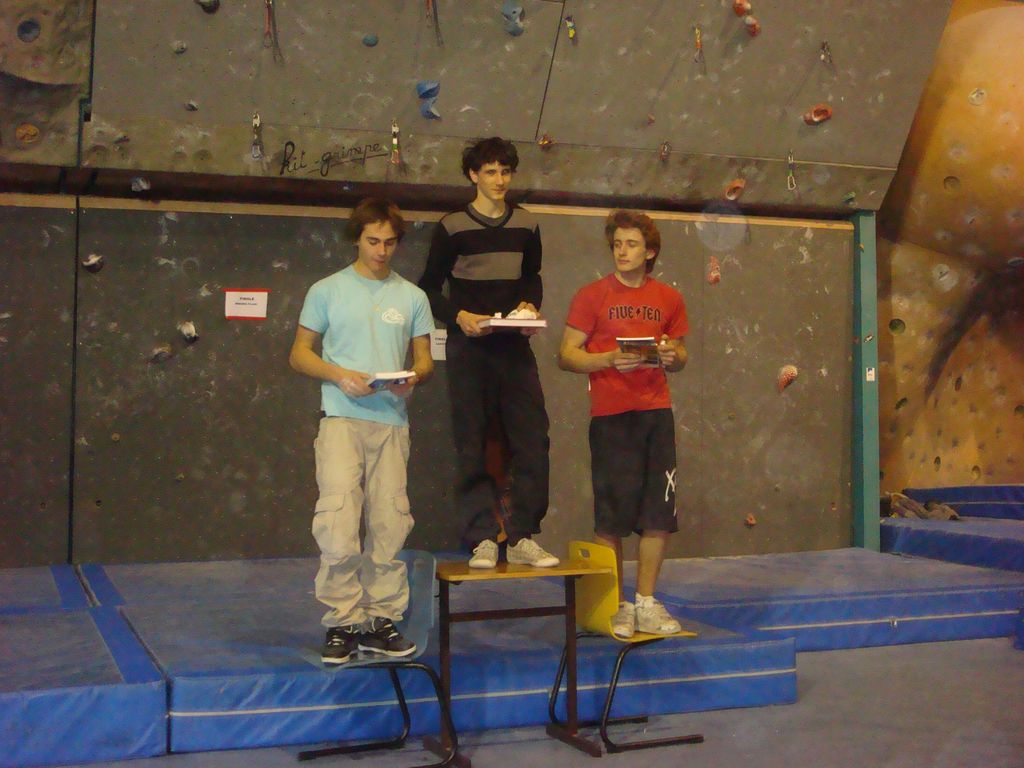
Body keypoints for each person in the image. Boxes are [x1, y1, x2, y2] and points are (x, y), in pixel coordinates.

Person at [290, 198, 435, 664]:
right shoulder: (327, 290)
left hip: (391, 421)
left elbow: (425, 360)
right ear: (357, 238)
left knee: (390, 523)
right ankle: (342, 622)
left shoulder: (412, 297)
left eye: (390, 242)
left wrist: (414, 377)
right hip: (341, 419)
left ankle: (381, 620)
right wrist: (338, 375)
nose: (381, 250)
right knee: (337, 522)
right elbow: (299, 354)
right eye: (373, 241)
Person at [418, 136, 558, 570]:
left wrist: (530, 304)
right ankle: (481, 537)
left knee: (532, 439)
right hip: (469, 349)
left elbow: (532, 276)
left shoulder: (527, 224)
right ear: (473, 175)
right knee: (472, 441)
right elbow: (427, 289)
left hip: (513, 348)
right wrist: (458, 316)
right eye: (491, 172)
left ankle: (522, 535)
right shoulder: (452, 227)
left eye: (505, 172)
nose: (499, 180)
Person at [558, 210, 688, 637]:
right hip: (611, 417)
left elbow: (681, 354)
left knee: (658, 514)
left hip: (656, 413)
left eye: (631, 244)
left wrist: (671, 355)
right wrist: (609, 359)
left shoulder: (668, 298)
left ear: (650, 252)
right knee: (610, 517)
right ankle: (616, 604)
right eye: (617, 244)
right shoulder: (591, 295)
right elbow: (567, 354)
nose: (622, 251)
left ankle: (646, 601)